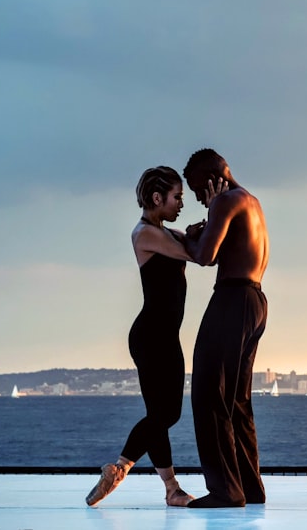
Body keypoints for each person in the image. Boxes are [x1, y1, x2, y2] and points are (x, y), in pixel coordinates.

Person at [85, 166, 224, 507]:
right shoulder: (144, 234)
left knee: (161, 415)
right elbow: (199, 254)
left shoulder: (165, 232)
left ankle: (171, 490)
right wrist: (215, 211)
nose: (180, 203)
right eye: (176, 197)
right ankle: (119, 468)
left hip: (165, 337)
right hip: (150, 337)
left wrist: (194, 231)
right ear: (157, 198)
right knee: (165, 414)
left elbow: (193, 242)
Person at [182, 148, 270, 508]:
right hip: (256, 302)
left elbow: (204, 256)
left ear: (208, 182)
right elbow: (219, 249)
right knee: (237, 401)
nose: (200, 201)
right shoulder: (251, 201)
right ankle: (250, 488)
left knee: (208, 394)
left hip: (232, 299)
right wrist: (205, 229)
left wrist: (189, 236)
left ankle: (225, 490)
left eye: (197, 192)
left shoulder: (224, 201)